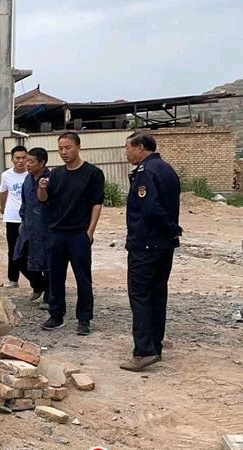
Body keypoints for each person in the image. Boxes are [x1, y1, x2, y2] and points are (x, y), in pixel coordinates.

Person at [119, 133, 182, 372]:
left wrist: (171, 228)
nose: (126, 152)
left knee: (140, 296)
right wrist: (172, 232)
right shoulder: (166, 169)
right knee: (157, 295)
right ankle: (155, 346)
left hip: (146, 245)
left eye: (128, 147)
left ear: (141, 147)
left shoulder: (146, 172)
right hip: (163, 246)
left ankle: (144, 351)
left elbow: (151, 209)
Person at [37, 132, 105, 335]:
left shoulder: (93, 173)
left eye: (68, 147)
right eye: (60, 148)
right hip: (57, 233)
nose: (64, 152)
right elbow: (44, 200)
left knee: (83, 278)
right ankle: (56, 315)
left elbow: (97, 203)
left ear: (78, 147)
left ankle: (84, 319)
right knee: (55, 277)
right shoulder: (56, 174)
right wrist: (42, 188)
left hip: (79, 234)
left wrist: (90, 231)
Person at [14, 147, 51, 308]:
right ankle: (38, 285)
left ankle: (49, 296)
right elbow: (24, 202)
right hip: (28, 226)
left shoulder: (51, 179)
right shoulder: (27, 180)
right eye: (26, 161)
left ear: (42, 163)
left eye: (31, 161)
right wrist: (23, 220)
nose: (27, 164)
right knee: (19, 257)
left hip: (46, 228)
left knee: (47, 263)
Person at [0, 146, 29, 289]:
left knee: (29, 249)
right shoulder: (6, 175)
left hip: (28, 218)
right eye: (17, 158)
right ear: (12, 159)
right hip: (12, 217)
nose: (21, 161)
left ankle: (35, 279)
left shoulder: (31, 174)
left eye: (24, 158)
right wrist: (3, 208)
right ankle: (13, 279)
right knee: (13, 248)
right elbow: (3, 192)